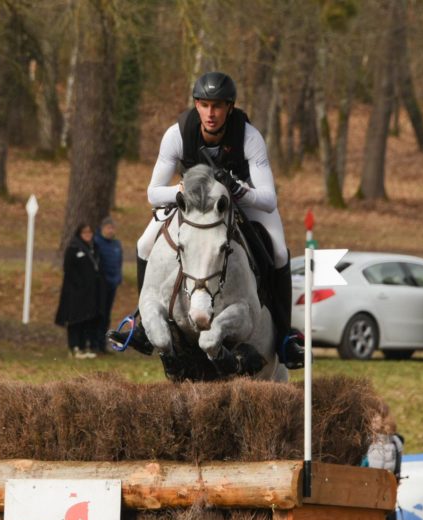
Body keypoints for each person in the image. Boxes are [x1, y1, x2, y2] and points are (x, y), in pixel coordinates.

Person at [113, 71, 304, 368]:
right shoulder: (177, 133)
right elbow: (152, 193)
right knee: (143, 243)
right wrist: (182, 190)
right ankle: (142, 325)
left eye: (217, 106)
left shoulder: (249, 137)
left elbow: (268, 198)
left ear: (230, 107)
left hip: (241, 201)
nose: (210, 113)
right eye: (203, 105)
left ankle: (285, 337)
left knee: (278, 251)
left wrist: (240, 190)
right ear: (196, 105)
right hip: (193, 205)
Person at [363, 401, 404, 520]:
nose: (373, 420)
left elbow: (397, 472)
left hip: (387, 507)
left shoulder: (395, 442)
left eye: (376, 415)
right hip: (367, 507)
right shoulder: (362, 442)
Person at [55, 224, 105, 359]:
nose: (88, 235)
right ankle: (74, 347)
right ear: (79, 233)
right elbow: (68, 269)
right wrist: (79, 285)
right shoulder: (73, 248)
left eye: (90, 232)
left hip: (90, 292)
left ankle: (83, 347)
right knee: (75, 320)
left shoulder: (94, 248)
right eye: (85, 232)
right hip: (74, 292)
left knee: (87, 319)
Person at [94, 217, 123, 353]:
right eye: (108, 228)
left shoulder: (116, 244)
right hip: (101, 285)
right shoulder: (97, 243)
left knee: (107, 315)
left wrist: (118, 278)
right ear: (102, 229)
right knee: (99, 314)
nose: (111, 231)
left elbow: (118, 263)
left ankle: (102, 344)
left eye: (112, 228)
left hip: (113, 284)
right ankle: (96, 343)